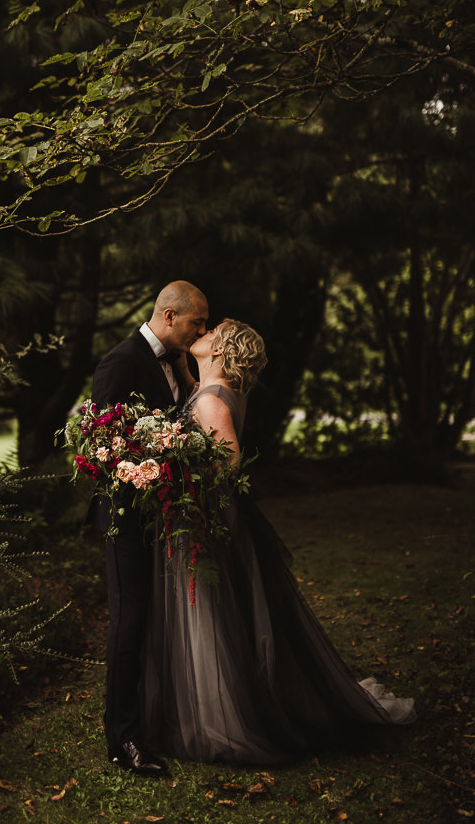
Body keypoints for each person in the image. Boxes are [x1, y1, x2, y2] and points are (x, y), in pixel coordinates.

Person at [141, 319, 415, 764]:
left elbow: (228, 465)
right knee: (226, 616)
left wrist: (176, 470)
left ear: (223, 349)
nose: (204, 331)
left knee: (214, 616)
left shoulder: (213, 401)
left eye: (213, 331)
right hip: (209, 514)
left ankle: (225, 719)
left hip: (207, 516)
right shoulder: (212, 388)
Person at [89, 280, 208, 776]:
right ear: (169, 315)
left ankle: (151, 719)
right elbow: (100, 441)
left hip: (158, 511)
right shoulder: (122, 359)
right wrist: (149, 462)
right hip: (123, 514)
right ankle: (123, 740)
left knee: (153, 618)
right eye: (197, 322)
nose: (202, 330)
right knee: (130, 620)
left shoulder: (175, 362)